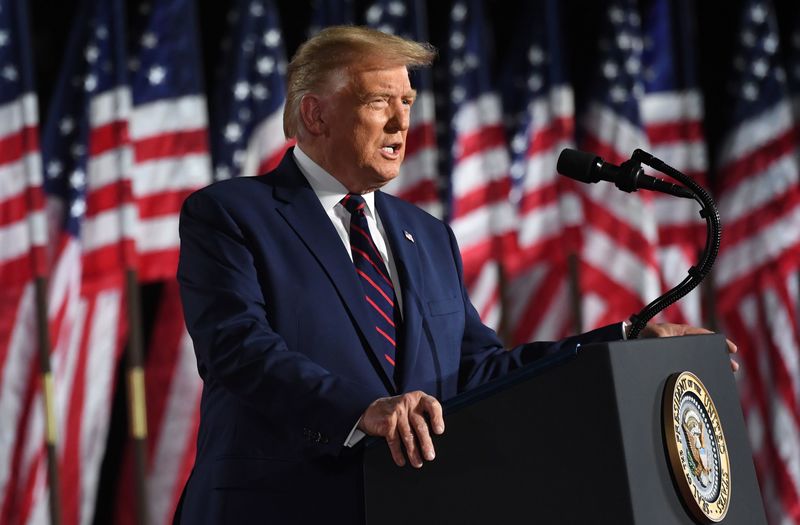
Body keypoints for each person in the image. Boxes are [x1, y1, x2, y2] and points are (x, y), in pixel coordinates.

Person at [174, 26, 736, 524]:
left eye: (408, 101)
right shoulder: (232, 214)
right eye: (379, 101)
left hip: (414, 504)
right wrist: (359, 411)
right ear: (316, 113)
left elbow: (479, 370)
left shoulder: (427, 235)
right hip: (277, 506)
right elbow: (238, 350)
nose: (401, 121)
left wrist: (623, 343)